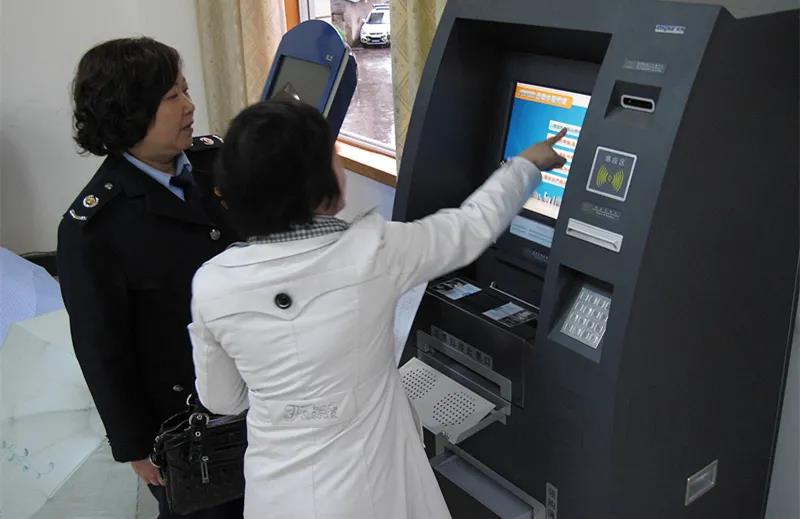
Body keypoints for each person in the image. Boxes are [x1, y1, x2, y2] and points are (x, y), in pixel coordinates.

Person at [188, 99, 567, 519]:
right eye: (334, 156)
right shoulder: (374, 252)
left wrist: (285, 396)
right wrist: (526, 165)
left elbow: (222, 399)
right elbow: (470, 228)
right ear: (315, 182)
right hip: (371, 492)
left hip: (276, 496)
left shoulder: (212, 284)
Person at [57, 37, 243, 519]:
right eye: (171, 97)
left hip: (262, 394)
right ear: (129, 112)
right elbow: (102, 349)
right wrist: (135, 446)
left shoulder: (217, 164)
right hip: (190, 427)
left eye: (185, 90)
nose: (189, 105)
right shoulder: (94, 227)